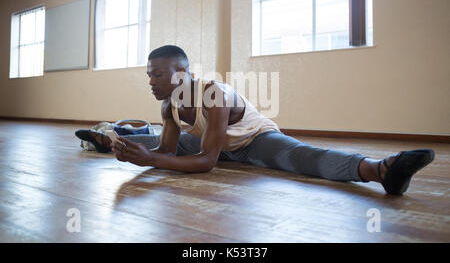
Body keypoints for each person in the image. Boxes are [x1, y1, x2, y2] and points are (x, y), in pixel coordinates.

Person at [76, 45, 435, 195]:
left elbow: (205, 163)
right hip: (213, 145)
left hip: (251, 140)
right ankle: (108, 141)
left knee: (302, 158)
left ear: (182, 72)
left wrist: (153, 159)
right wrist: (144, 156)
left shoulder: (212, 94)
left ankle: (383, 171)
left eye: (156, 74)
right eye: (148, 75)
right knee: (156, 143)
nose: (150, 81)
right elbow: (169, 151)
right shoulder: (169, 107)